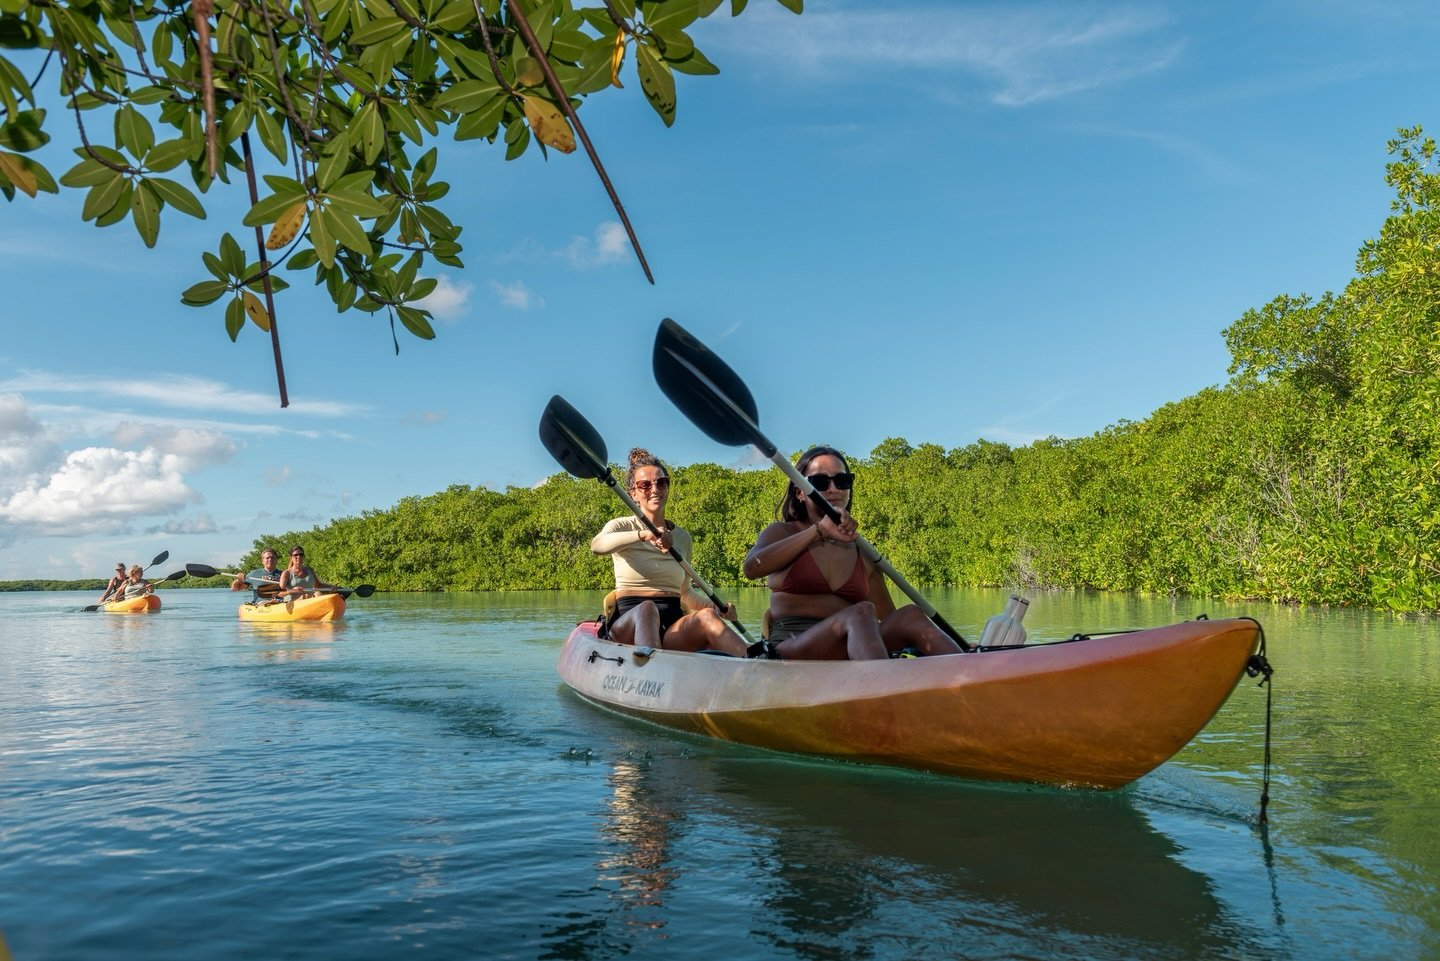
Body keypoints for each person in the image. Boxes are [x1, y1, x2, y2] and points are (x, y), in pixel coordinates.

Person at [742, 446, 964, 660]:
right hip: (792, 647)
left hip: (847, 647)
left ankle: (969, 668)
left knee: (910, 615)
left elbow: (889, 619)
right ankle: (883, 691)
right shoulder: (781, 532)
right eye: (820, 482)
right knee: (860, 613)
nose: (833, 489)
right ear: (800, 492)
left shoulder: (864, 552)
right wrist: (818, 531)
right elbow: (751, 568)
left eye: (842, 481)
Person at [590, 448, 748, 656]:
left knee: (708, 615)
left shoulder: (683, 538)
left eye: (661, 482)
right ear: (633, 494)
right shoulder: (621, 526)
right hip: (629, 621)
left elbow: (685, 593)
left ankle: (758, 662)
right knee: (647, 609)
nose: (654, 489)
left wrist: (717, 607)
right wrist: (644, 534)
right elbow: (597, 546)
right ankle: (650, 667)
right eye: (645, 485)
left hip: (672, 626)